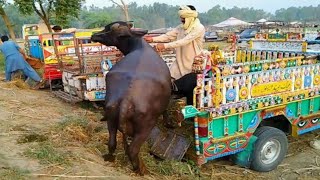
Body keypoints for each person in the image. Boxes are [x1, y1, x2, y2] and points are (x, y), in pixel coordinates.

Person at [145, 5, 205, 105]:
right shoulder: (180, 28)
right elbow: (168, 36)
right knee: (168, 82)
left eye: (183, 17)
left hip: (193, 64)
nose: (181, 19)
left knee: (189, 86)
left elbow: (184, 41)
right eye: (181, 17)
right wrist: (152, 39)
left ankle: (190, 111)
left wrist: (165, 46)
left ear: (190, 17)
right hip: (179, 62)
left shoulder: (199, 28)